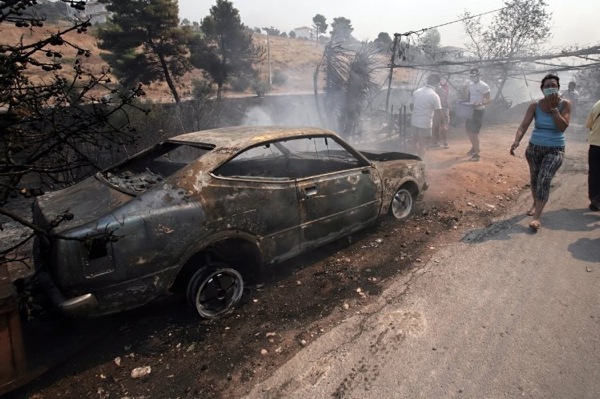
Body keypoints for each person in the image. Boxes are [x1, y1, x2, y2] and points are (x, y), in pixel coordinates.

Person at [509, 73, 571, 231]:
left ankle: (537, 217)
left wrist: (554, 109)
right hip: (534, 148)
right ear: (542, 89)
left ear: (558, 88)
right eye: (547, 86)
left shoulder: (565, 104)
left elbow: (563, 127)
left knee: (544, 178)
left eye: (553, 85)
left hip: (555, 149)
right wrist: (517, 140)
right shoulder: (534, 105)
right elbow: (524, 125)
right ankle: (536, 203)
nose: (550, 88)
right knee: (535, 179)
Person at [410, 74, 446, 157]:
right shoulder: (434, 95)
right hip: (425, 123)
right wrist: (443, 125)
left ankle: (412, 158)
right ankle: (420, 161)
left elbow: (411, 106)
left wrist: (416, 113)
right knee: (422, 145)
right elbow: (439, 112)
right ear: (436, 84)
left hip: (414, 121)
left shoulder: (417, 91)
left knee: (415, 141)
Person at [464, 68, 491, 161]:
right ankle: (474, 147)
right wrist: (464, 102)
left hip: (478, 111)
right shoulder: (470, 85)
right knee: (468, 131)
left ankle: (477, 154)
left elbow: (488, 100)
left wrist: (480, 103)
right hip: (470, 110)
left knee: (474, 133)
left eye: (474, 76)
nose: (473, 78)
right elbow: (469, 97)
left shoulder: (484, 86)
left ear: (479, 75)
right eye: (471, 76)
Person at [585, 99, 600, 211]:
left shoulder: (597, 104)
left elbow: (590, 125)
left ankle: (594, 197)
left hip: (595, 144)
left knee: (594, 172)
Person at [430, 78, 450, 149]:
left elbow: (444, 93)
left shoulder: (443, 87)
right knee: (436, 125)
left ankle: (445, 142)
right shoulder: (436, 88)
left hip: (444, 108)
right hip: (436, 108)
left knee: (444, 125)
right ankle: (436, 142)